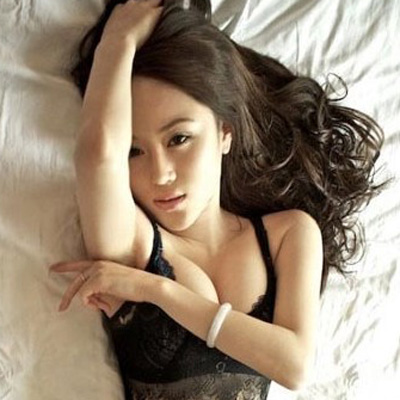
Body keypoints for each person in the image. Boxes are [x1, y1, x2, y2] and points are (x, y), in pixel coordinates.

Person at [49, 0, 384, 398]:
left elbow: (294, 365)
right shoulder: (134, 244)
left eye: (179, 139)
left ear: (225, 132)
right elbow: (97, 156)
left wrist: (156, 290)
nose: (160, 174)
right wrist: (117, 41)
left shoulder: (288, 234)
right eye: (134, 151)